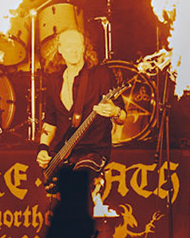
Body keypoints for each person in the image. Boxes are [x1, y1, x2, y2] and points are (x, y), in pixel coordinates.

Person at [35, 23, 124, 176]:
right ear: (60, 49)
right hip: (62, 154)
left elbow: (122, 118)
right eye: (68, 45)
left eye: (77, 45)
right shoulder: (54, 80)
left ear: (84, 48)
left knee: (78, 181)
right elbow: (50, 121)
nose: (74, 50)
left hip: (92, 152)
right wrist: (43, 148)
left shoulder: (101, 75)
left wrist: (114, 111)